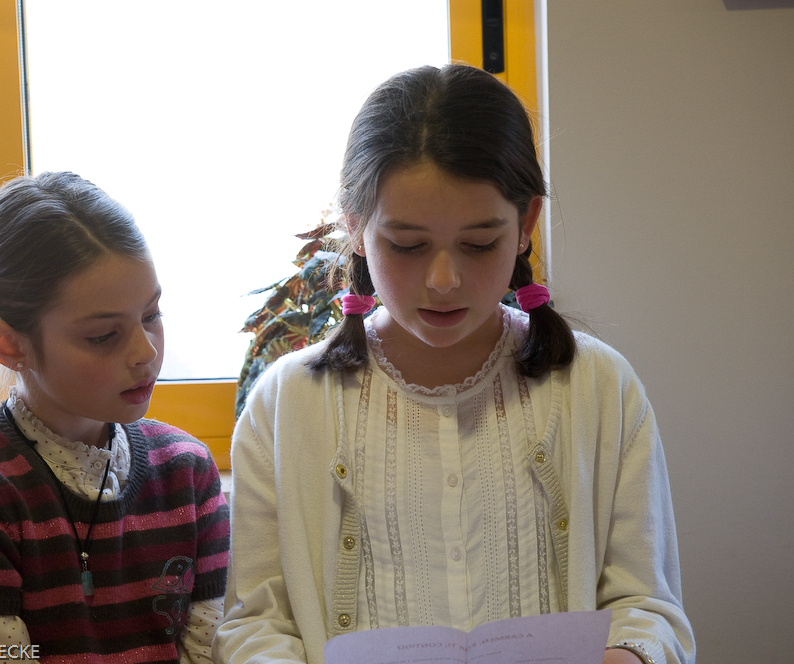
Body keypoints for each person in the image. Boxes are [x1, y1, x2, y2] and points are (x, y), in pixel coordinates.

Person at [212, 64, 694, 664]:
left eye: (478, 243)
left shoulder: (597, 388)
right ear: (356, 228)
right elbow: (255, 624)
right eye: (408, 246)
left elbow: (647, 606)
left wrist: (630, 654)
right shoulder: (287, 405)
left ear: (526, 225)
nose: (444, 280)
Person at [0, 172, 230, 663]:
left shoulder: (188, 471)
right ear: (10, 346)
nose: (146, 351)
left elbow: (209, 650)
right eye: (102, 336)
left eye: (151, 314)